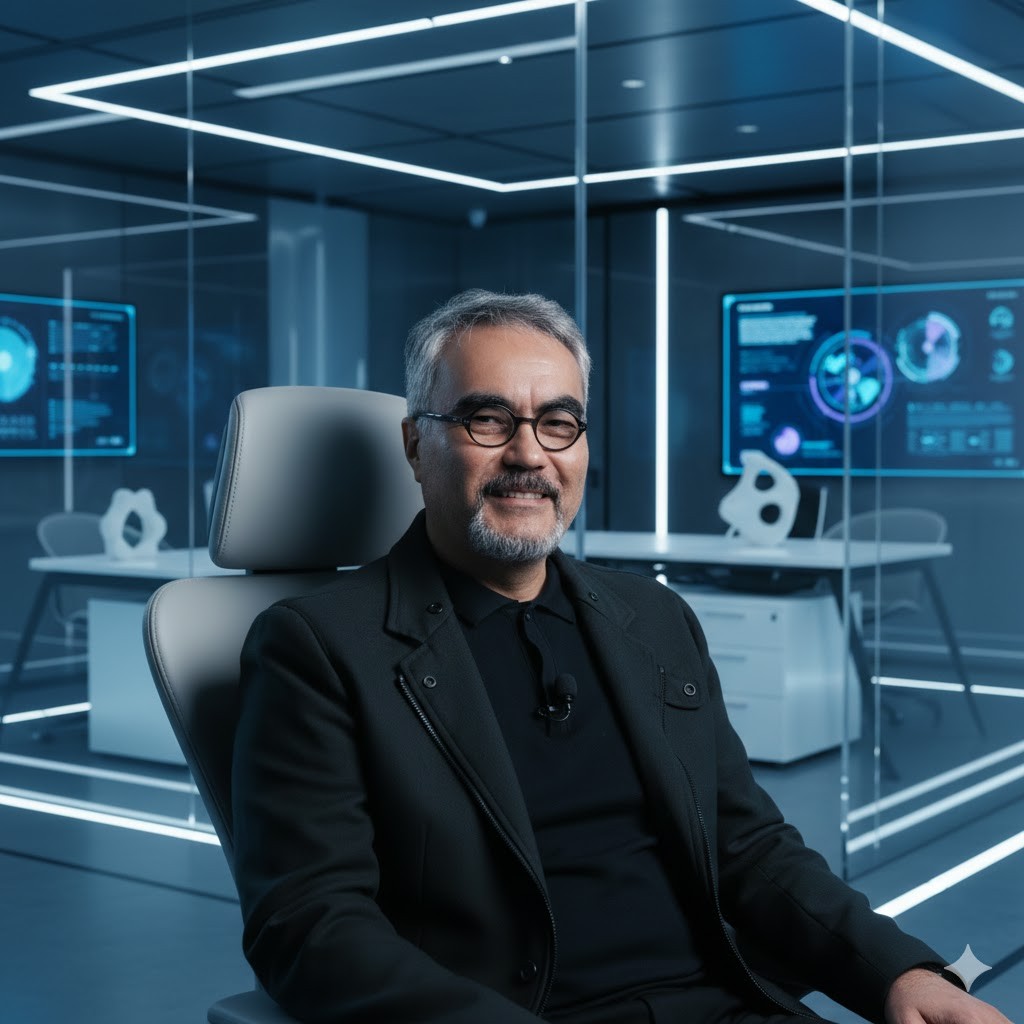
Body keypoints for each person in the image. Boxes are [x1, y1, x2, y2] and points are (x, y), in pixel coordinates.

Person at [232, 289, 1011, 1024]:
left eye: (559, 422)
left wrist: (899, 973)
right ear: (415, 445)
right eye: (488, 420)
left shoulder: (654, 617)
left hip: (726, 1003)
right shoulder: (320, 647)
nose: (529, 455)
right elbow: (310, 926)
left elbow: (749, 846)